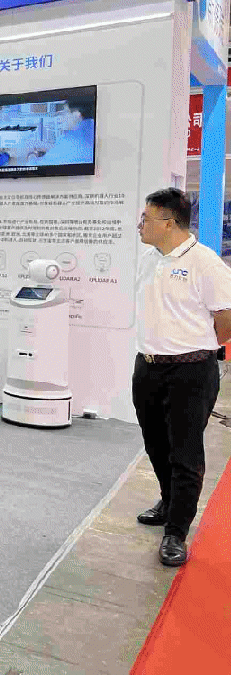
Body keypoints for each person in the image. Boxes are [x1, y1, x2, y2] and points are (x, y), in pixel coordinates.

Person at [133, 187, 231, 567]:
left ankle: (176, 531)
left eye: (146, 218)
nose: (140, 224)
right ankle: (168, 501)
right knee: (155, 444)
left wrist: (201, 347)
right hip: (148, 367)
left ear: (169, 224)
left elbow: (226, 318)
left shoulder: (205, 263)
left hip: (191, 371)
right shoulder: (148, 259)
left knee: (185, 453)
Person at [34, 98, 97, 166]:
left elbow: (39, 165)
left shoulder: (71, 140)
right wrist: (53, 148)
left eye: (64, 113)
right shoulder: (93, 129)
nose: (60, 119)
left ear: (77, 115)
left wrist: (31, 154)